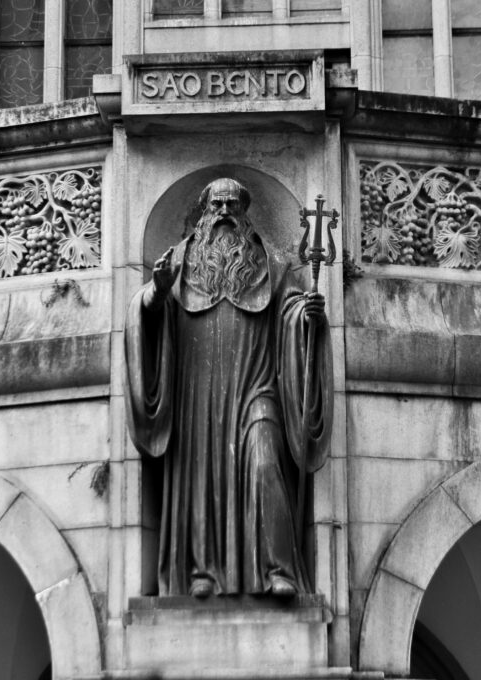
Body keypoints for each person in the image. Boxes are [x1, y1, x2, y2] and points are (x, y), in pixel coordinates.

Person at [125, 177, 332, 598]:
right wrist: (155, 294)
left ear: (244, 214)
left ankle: (278, 570)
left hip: (258, 390)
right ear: (202, 213)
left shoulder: (271, 266)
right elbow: (144, 312)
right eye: (215, 206)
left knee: (264, 464)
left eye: (231, 205)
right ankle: (201, 571)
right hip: (196, 395)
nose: (222, 214)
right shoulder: (179, 263)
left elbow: (290, 310)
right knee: (199, 474)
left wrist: (306, 317)